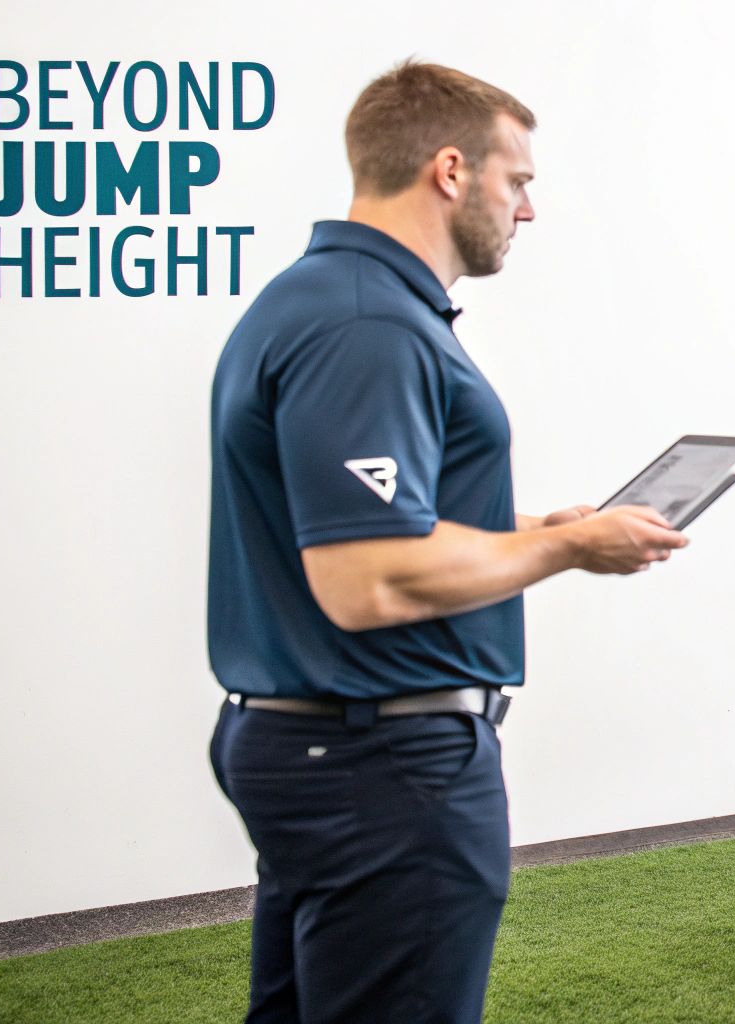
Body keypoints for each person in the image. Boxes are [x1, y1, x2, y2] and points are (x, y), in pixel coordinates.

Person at [207, 61, 687, 1022]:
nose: (529, 210)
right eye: (520, 182)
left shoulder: (324, 300)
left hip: (324, 747)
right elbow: (367, 578)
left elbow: (376, 518)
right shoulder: (364, 325)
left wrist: (543, 524)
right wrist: (571, 551)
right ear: (451, 170)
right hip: (381, 759)